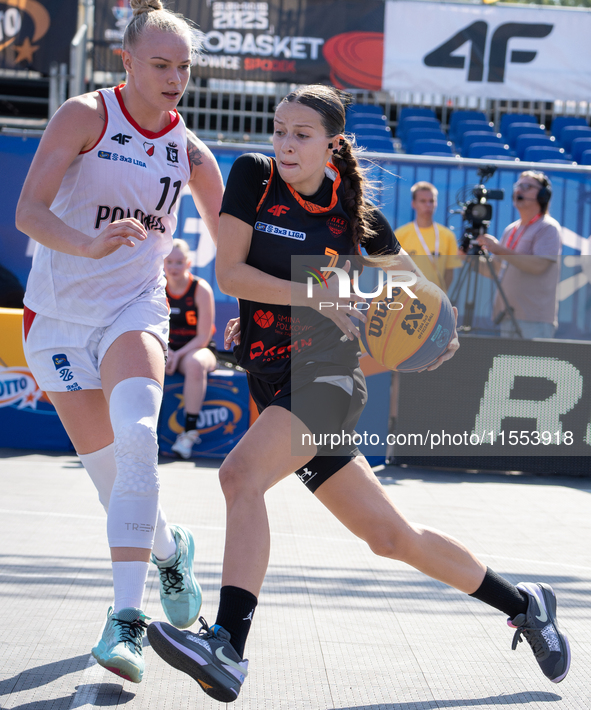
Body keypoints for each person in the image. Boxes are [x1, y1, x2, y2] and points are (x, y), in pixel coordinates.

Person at [146, 86, 570, 702]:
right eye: (279, 129)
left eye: (301, 134)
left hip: (329, 378)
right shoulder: (253, 177)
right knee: (391, 537)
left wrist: (432, 338)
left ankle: (228, 647)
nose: (285, 143)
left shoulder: (354, 219)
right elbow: (232, 273)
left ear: (332, 144)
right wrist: (298, 300)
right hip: (272, 377)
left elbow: (421, 299)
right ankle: (525, 604)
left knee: (239, 477)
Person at [15, 0, 224, 684]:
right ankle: (171, 550)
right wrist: (89, 243)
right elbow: (29, 212)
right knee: (113, 481)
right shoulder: (84, 116)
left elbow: (237, 245)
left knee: (137, 439)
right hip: (56, 316)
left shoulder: (191, 152)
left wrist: (325, 293)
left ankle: (127, 621)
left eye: (183, 67)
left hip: (134, 309)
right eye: (159, 64)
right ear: (125, 60)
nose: (173, 78)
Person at [475, 171, 562, 338]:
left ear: (543, 195)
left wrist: (499, 249)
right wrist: (469, 259)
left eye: (527, 187)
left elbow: (538, 266)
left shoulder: (548, 227)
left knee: (531, 365)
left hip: (533, 318)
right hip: (507, 316)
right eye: (518, 186)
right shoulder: (511, 229)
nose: (519, 191)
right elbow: (494, 270)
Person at [164, 238, 217, 459]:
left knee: (196, 364)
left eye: (179, 262)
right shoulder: (156, 287)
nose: (174, 267)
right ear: (163, 263)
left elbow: (203, 337)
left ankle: (188, 433)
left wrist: (176, 354)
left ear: (188, 263)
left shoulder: (200, 289)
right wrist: (165, 352)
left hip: (195, 350)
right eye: (170, 262)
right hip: (166, 349)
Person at [395, 181, 461, 292]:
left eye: (431, 201)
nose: (428, 205)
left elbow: (450, 273)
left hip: (436, 299)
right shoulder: (400, 234)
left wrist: (439, 296)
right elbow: (395, 271)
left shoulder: (448, 235)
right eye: (423, 201)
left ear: (436, 203)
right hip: (407, 297)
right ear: (413, 204)